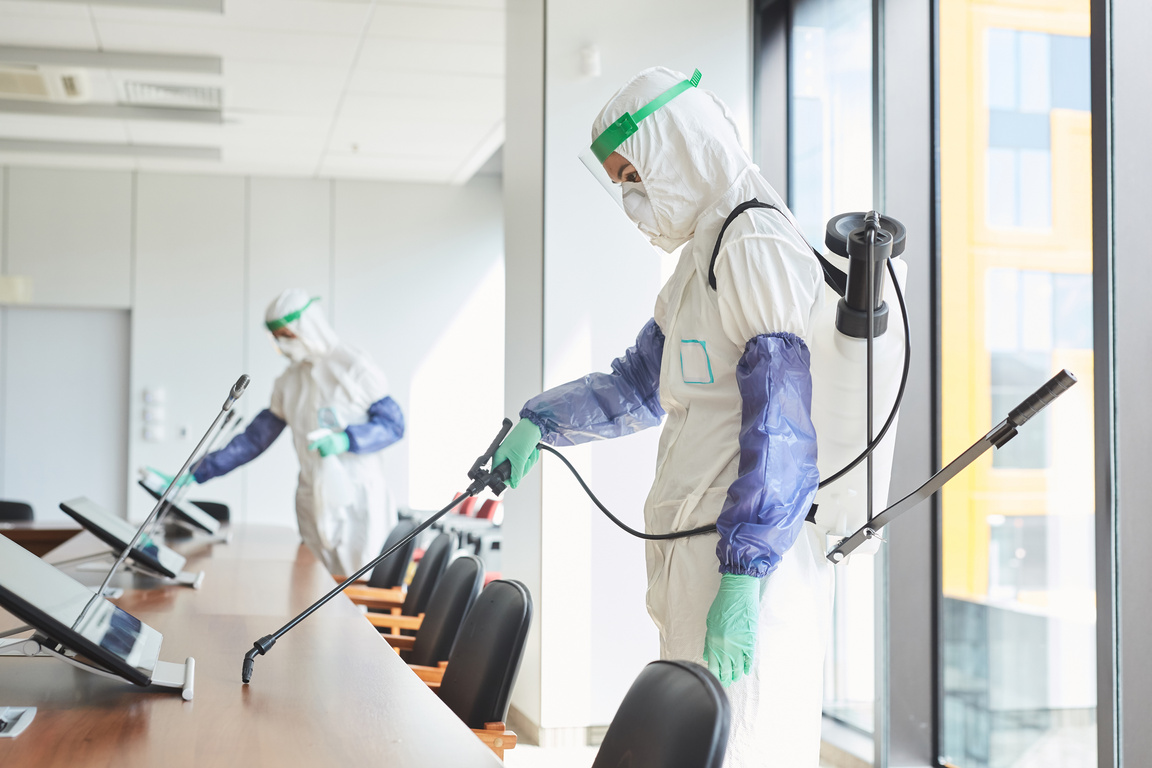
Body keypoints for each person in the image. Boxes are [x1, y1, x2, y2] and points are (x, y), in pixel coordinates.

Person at [492, 67, 832, 766]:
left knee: (743, 748)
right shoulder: (697, 261)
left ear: (677, 149)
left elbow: (784, 422)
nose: (630, 201)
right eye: (620, 184)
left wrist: (744, 572)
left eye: (633, 177)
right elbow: (637, 387)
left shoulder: (752, 241)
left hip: (742, 565)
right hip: (697, 549)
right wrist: (540, 421)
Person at [162, 289, 404, 576]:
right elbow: (254, 440)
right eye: (275, 336)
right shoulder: (288, 382)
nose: (281, 343)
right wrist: (198, 471)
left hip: (356, 496)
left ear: (307, 326)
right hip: (311, 495)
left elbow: (393, 425)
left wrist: (347, 439)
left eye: (286, 334)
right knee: (314, 586)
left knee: (358, 587)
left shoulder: (355, 368)